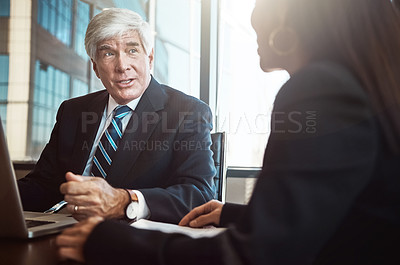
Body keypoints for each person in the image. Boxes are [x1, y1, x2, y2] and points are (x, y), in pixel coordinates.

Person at [56, 0, 400, 264]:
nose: (254, 18)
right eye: (108, 53)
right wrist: (237, 213)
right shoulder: (361, 88)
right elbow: (345, 215)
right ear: (95, 66)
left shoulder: (321, 89)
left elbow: (256, 255)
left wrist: (108, 241)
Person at [17, 8, 216, 224]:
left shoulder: (187, 112)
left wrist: (124, 202)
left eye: (132, 51)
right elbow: (42, 185)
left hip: (131, 239)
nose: (122, 66)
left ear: (149, 58)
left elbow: (199, 194)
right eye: (108, 53)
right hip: (63, 228)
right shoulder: (72, 111)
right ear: (95, 66)